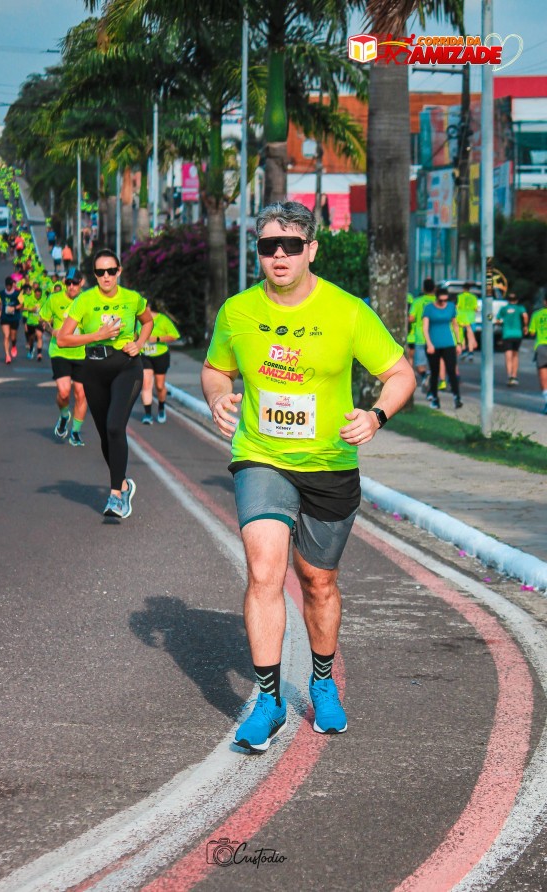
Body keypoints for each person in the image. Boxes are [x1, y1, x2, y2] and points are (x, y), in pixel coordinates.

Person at [201, 201, 415, 753]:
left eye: (291, 245)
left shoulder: (347, 311)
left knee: (318, 582)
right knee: (264, 571)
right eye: (268, 246)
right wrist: (218, 395)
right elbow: (215, 368)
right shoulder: (237, 311)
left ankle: (322, 682)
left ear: (311, 250)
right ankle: (268, 699)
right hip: (261, 456)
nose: (279, 255)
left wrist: (376, 416)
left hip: (329, 463)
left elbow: (399, 373)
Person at [58, 249, 154, 517]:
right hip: (94, 370)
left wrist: (139, 343)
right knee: (105, 435)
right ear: (94, 275)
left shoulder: (132, 298)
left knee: (114, 426)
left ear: (119, 271)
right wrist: (96, 335)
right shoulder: (84, 300)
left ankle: (115, 497)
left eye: (111, 271)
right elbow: (63, 339)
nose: (106, 276)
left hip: (126, 367)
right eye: (100, 272)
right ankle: (123, 485)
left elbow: (148, 322)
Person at [40, 267, 88, 446]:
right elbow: (42, 319)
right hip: (60, 351)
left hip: (82, 352)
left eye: (75, 283)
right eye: (68, 283)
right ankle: (64, 415)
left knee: (81, 394)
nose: (71, 286)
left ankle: (75, 432)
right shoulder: (55, 299)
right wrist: (52, 330)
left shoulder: (87, 300)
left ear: (81, 283)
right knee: (64, 392)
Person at [139, 303, 181, 424]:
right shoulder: (137, 321)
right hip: (145, 355)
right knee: (146, 384)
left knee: (159, 386)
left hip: (160, 355)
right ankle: (147, 415)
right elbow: (134, 335)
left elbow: (174, 336)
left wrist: (157, 338)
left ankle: (161, 407)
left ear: (149, 307)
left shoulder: (162, 319)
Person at [423, 285, 463, 410]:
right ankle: (435, 398)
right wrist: (429, 343)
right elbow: (425, 327)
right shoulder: (429, 308)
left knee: (452, 370)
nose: (443, 303)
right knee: (434, 372)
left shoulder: (451, 307)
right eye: (441, 300)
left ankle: (457, 397)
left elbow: (455, 325)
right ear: (437, 298)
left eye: (446, 300)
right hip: (433, 344)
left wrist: (458, 342)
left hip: (448, 343)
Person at [408, 278, 435, 388]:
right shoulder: (438, 301)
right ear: (434, 288)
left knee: (420, 364)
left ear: (423, 288)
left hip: (420, 336)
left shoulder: (417, 301)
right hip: (436, 336)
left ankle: (425, 375)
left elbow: (411, 318)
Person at [496, 292, 528, 386]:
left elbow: (498, 319)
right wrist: (525, 326)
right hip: (517, 334)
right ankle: (514, 375)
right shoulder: (520, 308)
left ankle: (509, 376)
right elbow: (525, 316)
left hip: (507, 334)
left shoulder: (504, 309)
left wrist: (499, 323)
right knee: (515, 355)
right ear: (516, 300)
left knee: (508, 356)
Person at [0, 276, 22, 364]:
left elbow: (22, 304)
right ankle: (7, 355)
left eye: (9, 285)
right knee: (6, 335)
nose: (8, 287)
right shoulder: (1, 293)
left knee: (13, 336)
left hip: (14, 317)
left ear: (12, 285)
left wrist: (14, 308)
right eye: (7, 285)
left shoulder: (17, 294)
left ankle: (13, 345)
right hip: (5, 317)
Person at [528, 294, 547, 414]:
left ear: (545, 302)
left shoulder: (536, 314)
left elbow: (532, 332)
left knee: (543, 375)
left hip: (541, 346)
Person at [456, 282, 478, 360]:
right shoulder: (474, 297)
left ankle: (464, 351)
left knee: (462, 335)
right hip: (471, 318)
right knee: (470, 335)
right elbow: (476, 309)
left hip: (461, 318)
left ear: (463, 289)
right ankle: (471, 352)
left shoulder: (459, 296)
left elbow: (457, 307)